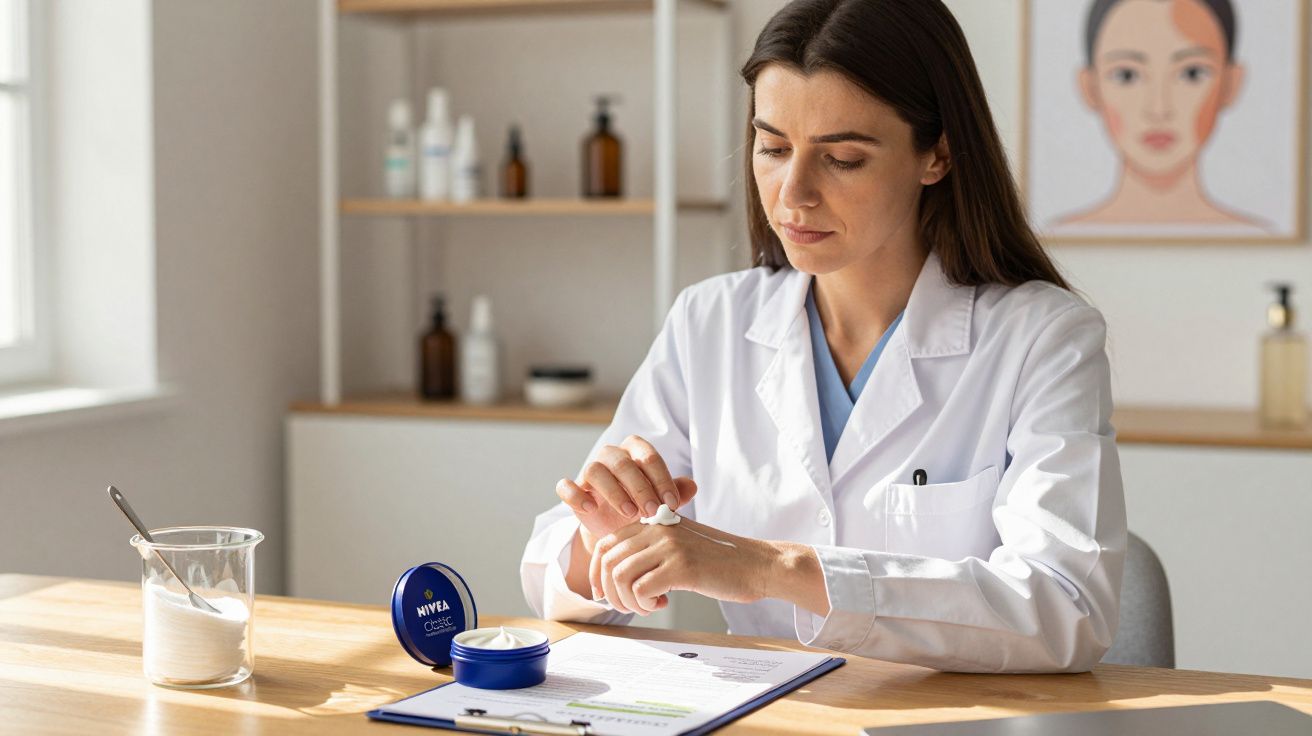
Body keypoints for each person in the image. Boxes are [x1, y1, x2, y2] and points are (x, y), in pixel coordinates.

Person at [521, 0, 1126, 674]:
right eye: (774, 148)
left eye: (841, 158)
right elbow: (553, 578)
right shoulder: (710, 322)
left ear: (938, 155)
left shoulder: (1043, 339)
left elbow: (1066, 607)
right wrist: (605, 537)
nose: (793, 195)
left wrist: (771, 568)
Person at [1057, 0, 1266, 230]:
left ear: (1231, 83)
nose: (1159, 109)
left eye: (1192, 73)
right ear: (1089, 87)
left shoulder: (1257, 236)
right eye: (1126, 75)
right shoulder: (1052, 240)